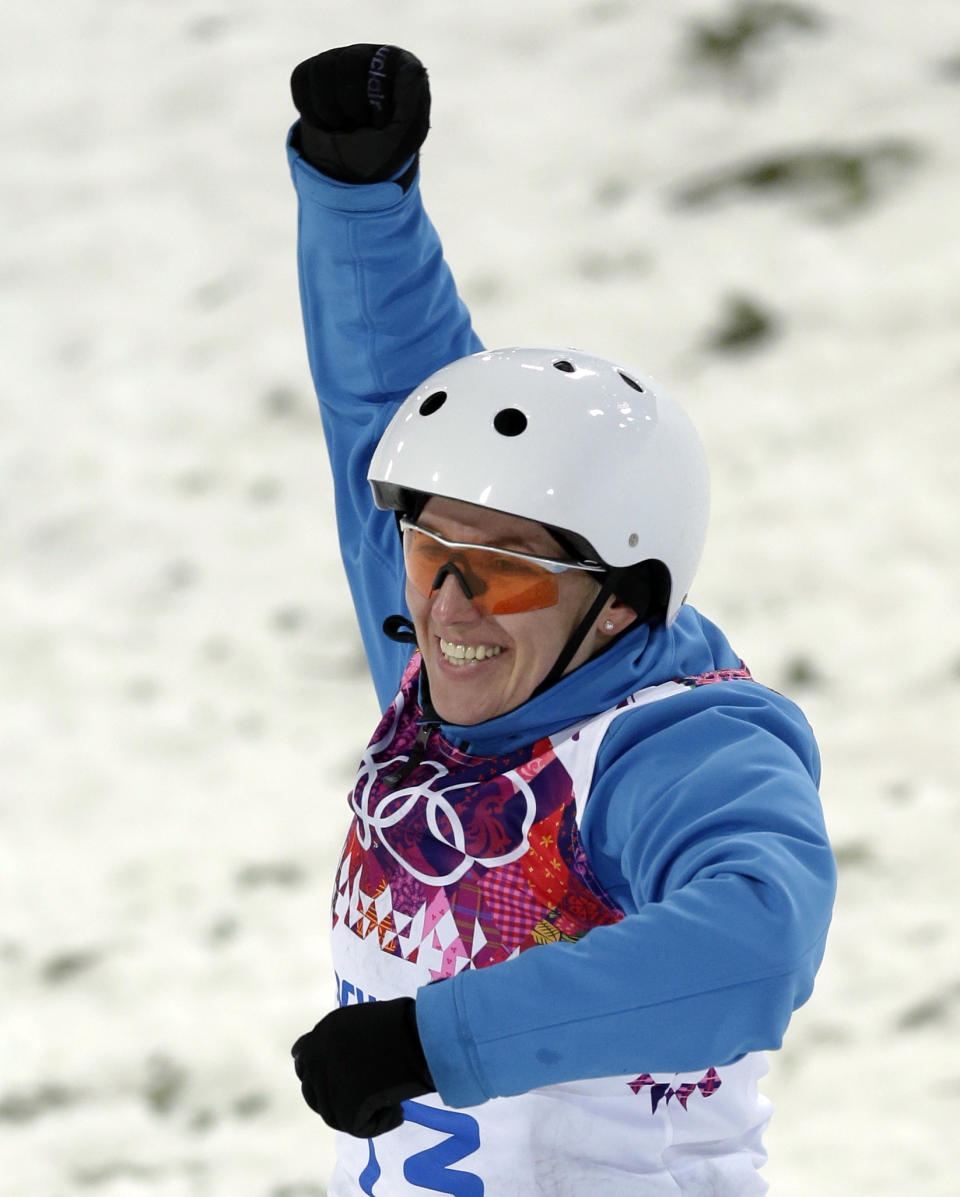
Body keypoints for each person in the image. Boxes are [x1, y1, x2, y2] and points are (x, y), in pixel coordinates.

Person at [286, 44, 836, 1196]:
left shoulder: (670, 746)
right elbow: (383, 414)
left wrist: (436, 1042)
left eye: (509, 570)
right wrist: (358, 192)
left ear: (623, 599)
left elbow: (757, 942)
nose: (447, 605)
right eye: (431, 551)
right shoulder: (454, 647)